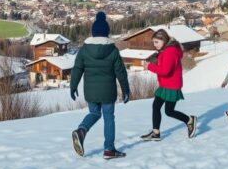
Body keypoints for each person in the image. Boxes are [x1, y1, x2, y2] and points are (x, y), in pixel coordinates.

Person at [70, 12, 131, 159]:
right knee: (108, 118)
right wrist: (126, 89)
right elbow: (121, 72)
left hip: (91, 91)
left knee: (94, 113)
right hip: (108, 91)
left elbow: (77, 68)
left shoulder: (84, 49)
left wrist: (73, 86)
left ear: (93, 32)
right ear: (106, 33)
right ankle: (109, 150)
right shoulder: (113, 50)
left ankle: (82, 130)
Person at [140, 29, 197, 141]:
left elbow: (165, 71)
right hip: (166, 85)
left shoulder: (170, 51)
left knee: (169, 111)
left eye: (157, 42)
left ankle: (189, 120)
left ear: (164, 40)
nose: (155, 45)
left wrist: (149, 66)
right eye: (154, 42)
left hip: (171, 86)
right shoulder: (166, 50)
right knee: (156, 106)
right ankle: (156, 133)